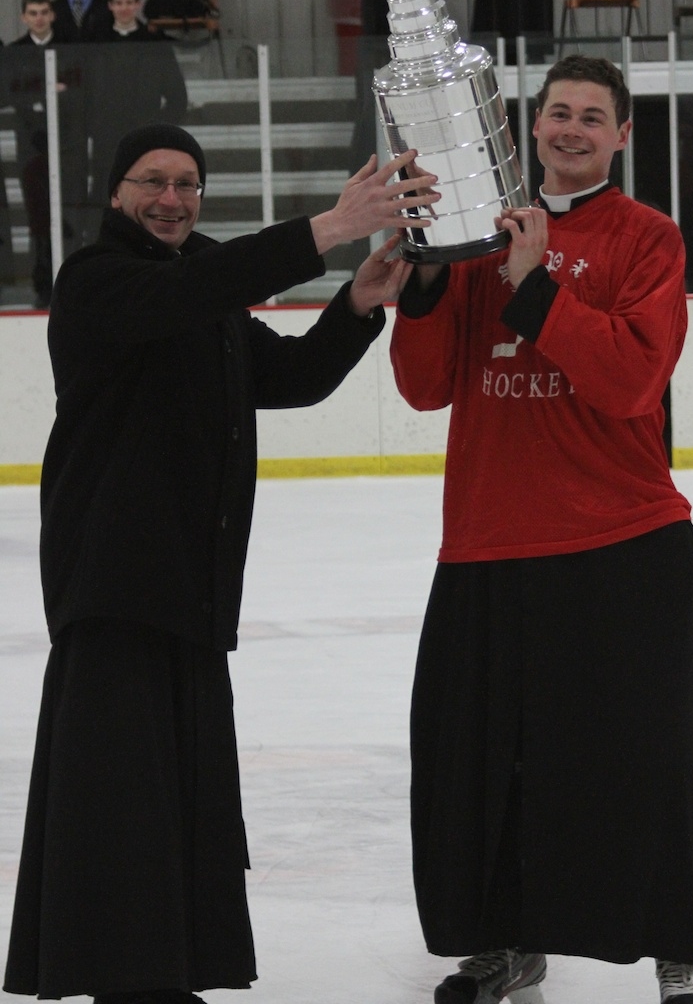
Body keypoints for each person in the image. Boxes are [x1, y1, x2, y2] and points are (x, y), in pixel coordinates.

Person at [3, 122, 439, 1001]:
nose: (172, 199)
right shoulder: (96, 281)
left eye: (188, 184)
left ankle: (166, 974)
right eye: (153, 181)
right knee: (123, 800)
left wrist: (356, 305)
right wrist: (329, 227)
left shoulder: (202, 282)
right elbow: (187, 294)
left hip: (189, 590)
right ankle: (127, 981)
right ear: (117, 192)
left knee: (176, 798)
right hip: (114, 587)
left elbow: (289, 378)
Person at [390, 56, 693, 1004]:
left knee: (651, 767)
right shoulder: (473, 237)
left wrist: (536, 285)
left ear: (622, 135)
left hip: (624, 543)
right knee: (484, 769)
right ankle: (505, 941)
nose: (572, 128)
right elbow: (424, 386)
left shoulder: (649, 239)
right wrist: (425, 277)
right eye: (558, 113)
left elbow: (629, 381)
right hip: (490, 544)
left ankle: (681, 955)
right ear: (530, 126)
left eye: (592, 116)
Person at [84, 0, 188, 241]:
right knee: (105, 194)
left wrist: (157, 132)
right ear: (110, 5)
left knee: (146, 196)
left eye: (129, 2)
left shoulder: (154, 44)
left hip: (144, 139)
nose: (124, 8)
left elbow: (177, 97)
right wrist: (94, 126)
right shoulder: (95, 43)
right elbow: (84, 93)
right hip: (106, 137)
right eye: (119, 2)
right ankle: (101, 250)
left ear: (138, 4)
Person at [0, 0, 87, 302]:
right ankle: (42, 286)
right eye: (33, 13)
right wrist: (43, 94)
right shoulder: (14, 53)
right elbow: (10, 93)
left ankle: (72, 283)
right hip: (30, 145)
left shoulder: (69, 50)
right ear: (24, 17)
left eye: (43, 12)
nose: (39, 18)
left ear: (52, 14)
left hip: (67, 143)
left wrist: (57, 95)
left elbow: (79, 91)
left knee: (70, 215)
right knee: (38, 217)